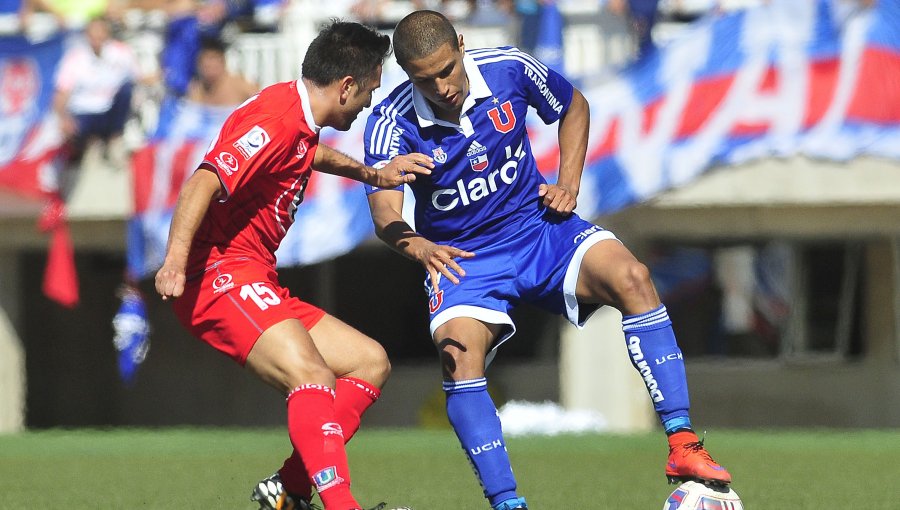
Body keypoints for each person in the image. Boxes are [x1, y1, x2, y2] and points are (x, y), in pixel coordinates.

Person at [362, 10, 732, 510]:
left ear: (462, 46)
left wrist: (570, 183)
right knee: (457, 356)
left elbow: (574, 106)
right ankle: (507, 503)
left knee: (634, 277)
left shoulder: (509, 68)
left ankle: (683, 444)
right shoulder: (390, 121)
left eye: (447, 69)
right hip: (463, 259)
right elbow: (384, 213)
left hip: (538, 230)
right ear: (407, 74)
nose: (442, 86)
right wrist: (416, 244)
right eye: (425, 79)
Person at [154, 20, 432, 510]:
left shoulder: (296, 121)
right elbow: (203, 181)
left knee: (370, 362)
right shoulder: (276, 119)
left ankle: (290, 489)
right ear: (346, 86)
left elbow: (306, 152)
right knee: (314, 377)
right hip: (216, 275)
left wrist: (371, 172)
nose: (369, 102)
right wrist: (176, 261)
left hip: (252, 275)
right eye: (369, 90)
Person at [53, 15, 138, 165]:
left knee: (127, 90)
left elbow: (139, 76)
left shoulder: (121, 52)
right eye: (92, 33)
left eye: (100, 32)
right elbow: (62, 92)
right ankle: (78, 150)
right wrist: (63, 118)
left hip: (109, 110)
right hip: (83, 111)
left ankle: (114, 140)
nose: (96, 37)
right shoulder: (75, 57)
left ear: (107, 33)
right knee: (73, 132)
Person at [186, 36, 257, 106]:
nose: (210, 73)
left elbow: (262, 104)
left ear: (223, 63)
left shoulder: (239, 85)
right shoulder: (197, 89)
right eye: (206, 67)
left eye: (214, 67)